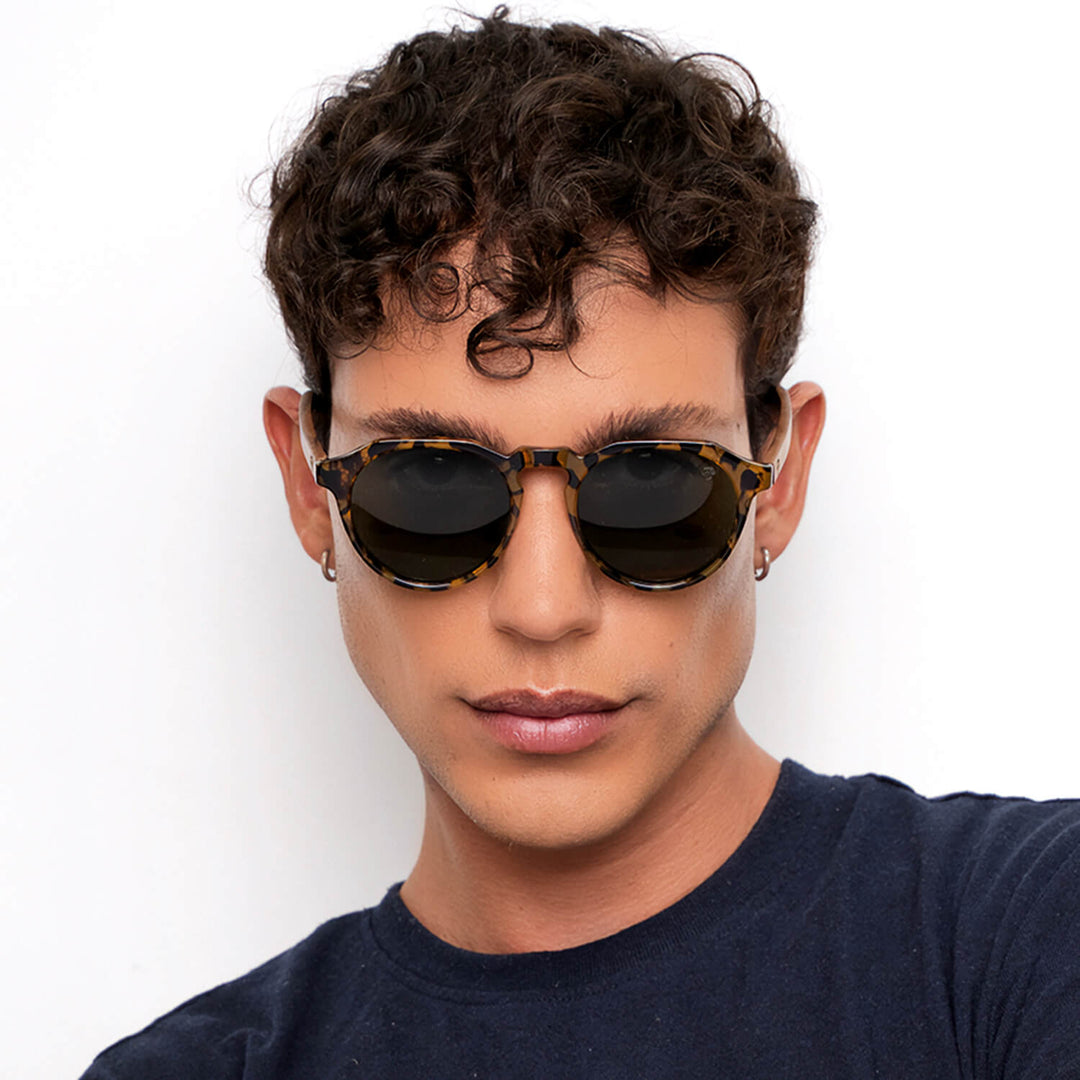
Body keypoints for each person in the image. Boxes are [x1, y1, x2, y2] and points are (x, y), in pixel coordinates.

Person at [81, 8, 1080, 1077]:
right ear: (308, 487)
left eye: (653, 482)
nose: (544, 608)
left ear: (779, 482)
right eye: (431, 483)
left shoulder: (1026, 938)